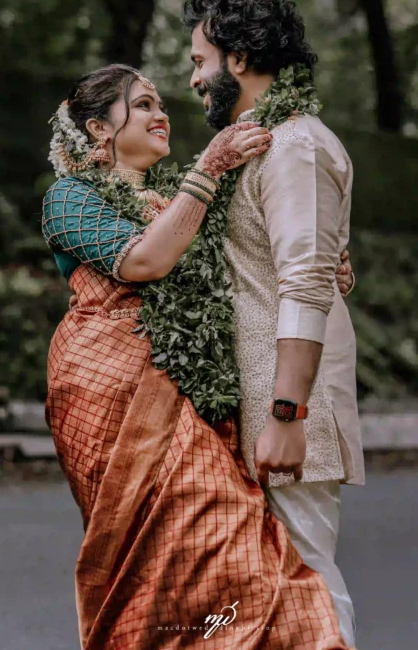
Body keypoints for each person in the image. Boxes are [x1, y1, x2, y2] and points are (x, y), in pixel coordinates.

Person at [42, 63, 357, 650]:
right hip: (103, 390)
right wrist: (208, 168)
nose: (161, 114)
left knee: (229, 542)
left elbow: (238, 265)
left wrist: (316, 258)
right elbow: (141, 263)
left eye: (159, 103)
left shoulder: (176, 199)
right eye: (141, 105)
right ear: (97, 129)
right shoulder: (69, 197)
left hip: (188, 394)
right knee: (158, 555)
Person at [182, 0, 364, 649]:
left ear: (236, 58)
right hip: (252, 403)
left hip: (286, 408)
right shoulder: (259, 144)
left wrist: (288, 414)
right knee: (260, 597)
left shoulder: (294, 145)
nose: (194, 78)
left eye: (200, 60)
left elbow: (307, 281)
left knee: (306, 587)